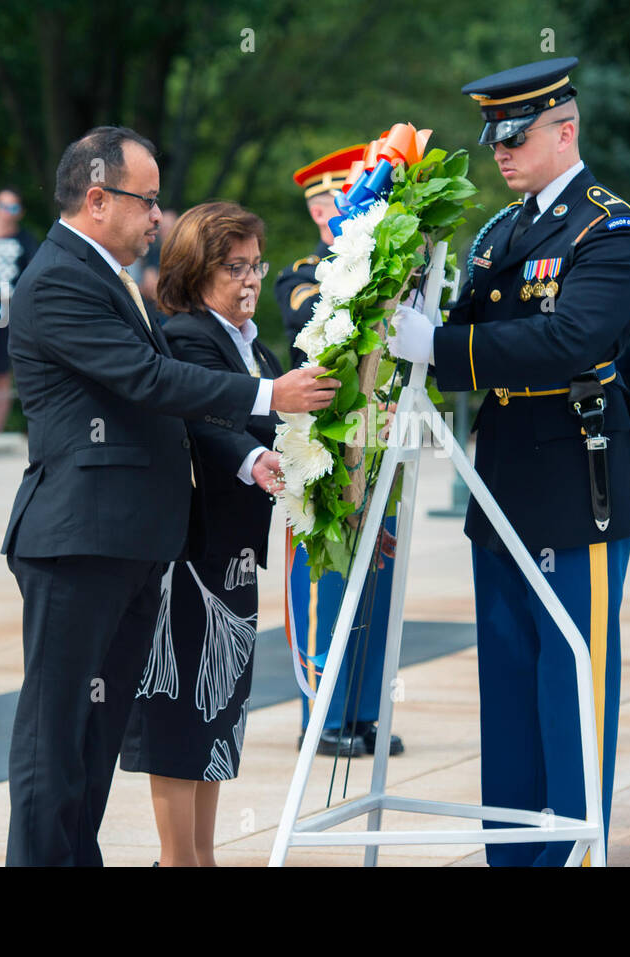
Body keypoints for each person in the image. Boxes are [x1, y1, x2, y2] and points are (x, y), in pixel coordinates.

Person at [0, 126, 339, 867]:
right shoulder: (60, 277)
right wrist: (265, 392)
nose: (158, 215)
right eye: (146, 200)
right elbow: (148, 381)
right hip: (75, 540)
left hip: (127, 541)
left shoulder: (112, 278)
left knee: (91, 743)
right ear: (96, 199)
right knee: (54, 740)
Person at [387, 57, 630, 866]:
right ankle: (509, 854)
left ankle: (574, 853)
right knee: (508, 682)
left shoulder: (609, 230)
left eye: (517, 135)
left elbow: (566, 341)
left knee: (570, 680)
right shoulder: (500, 232)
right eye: (495, 138)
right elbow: (469, 323)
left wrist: (438, 346)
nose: (501, 151)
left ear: (564, 131)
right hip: (503, 476)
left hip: (580, 479)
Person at [119, 201, 285, 867]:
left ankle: (203, 856)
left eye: (254, 265)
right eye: (232, 266)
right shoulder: (187, 334)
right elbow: (206, 415)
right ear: (195, 270)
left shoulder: (256, 345)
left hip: (235, 552)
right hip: (190, 551)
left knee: (219, 711)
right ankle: (176, 858)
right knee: (178, 708)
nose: (248, 280)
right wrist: (256, 459)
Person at [275, 144, 404, 759]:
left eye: (343, 202)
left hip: (376, 442)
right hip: (326, 449)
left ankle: (365, 709)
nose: (333, 216)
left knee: (379, 573)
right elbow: (323, 335)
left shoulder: (389, 272)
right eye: (324, 206)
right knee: (323, 579)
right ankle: (320, 713)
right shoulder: (303, 274)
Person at [0, 186, 38, 432]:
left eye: (13, 207)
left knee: (1, 373)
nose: (7, 212)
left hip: (7, 313)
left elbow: (34, 275)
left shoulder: (25, 240)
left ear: (20, 212)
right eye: (3, 206)